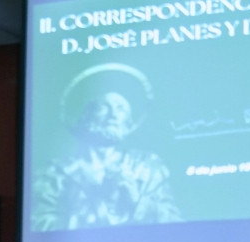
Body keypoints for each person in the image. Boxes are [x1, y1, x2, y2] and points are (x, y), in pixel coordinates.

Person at [31, 63, 180, 230]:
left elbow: (174, 222)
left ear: (128, 121)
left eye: (121, 108)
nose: (114, 114)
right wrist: (93, 215)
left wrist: (137, 200)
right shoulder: (54, 173)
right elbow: (40, 224)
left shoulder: (147, 166)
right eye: (105, 107)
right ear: (87, 115)